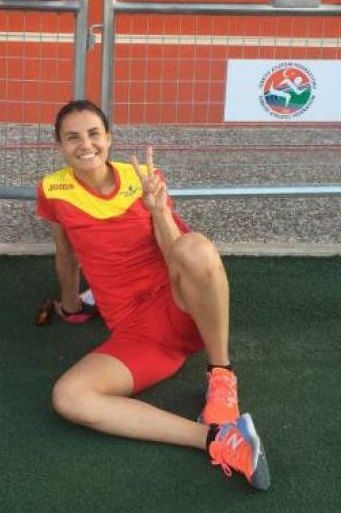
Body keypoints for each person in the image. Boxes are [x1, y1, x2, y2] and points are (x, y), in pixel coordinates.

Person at [35, 99, 271, 490]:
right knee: (69, 397)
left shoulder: (142, 177)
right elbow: (66, 253)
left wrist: (158, 209)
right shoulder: (52, 190)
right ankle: (217, 438)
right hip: (138, 337)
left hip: (179, 307)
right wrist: (70, 302)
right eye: (72, 137)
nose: (85, 145)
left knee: (195, 247)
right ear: (59, 145)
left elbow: (177, 253)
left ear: (109, 138)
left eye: (94, 134)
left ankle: (221, 377)